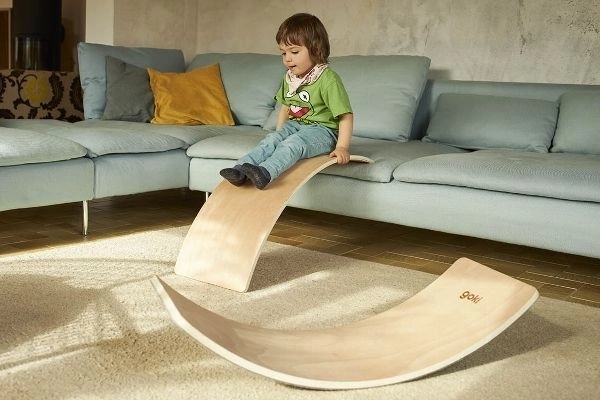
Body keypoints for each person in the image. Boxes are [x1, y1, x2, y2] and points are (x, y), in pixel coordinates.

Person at [220, 13, 353, 190]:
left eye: (294, 52)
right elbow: (285, 107)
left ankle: (265, 172)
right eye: (283, 53)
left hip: (323, 132)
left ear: (315, 49)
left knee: (294, 144)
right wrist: (279, 134)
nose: (287, 58)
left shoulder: (328, 79)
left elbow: (345, 115)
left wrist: (342, 147)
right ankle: (240, 170)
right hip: (295, 126)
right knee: (271, 140)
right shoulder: (290, 78)